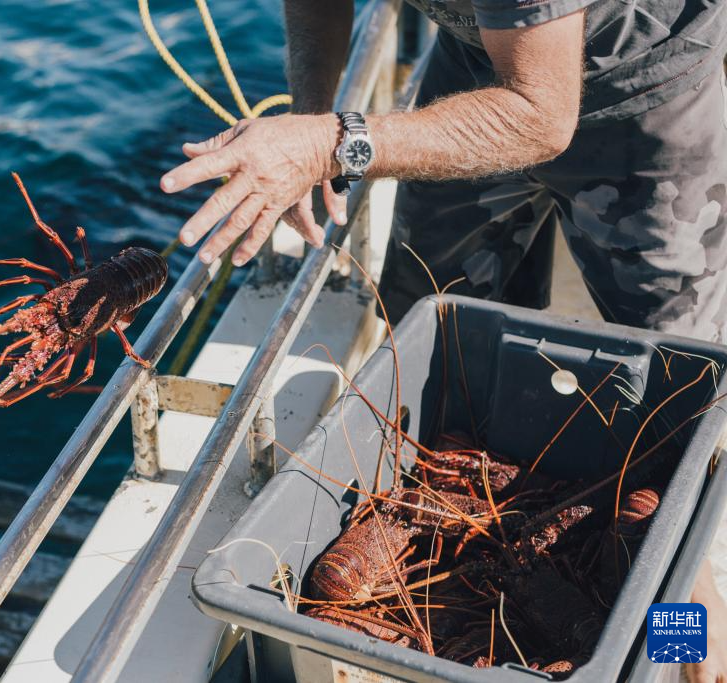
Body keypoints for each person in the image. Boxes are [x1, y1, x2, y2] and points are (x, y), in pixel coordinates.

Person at [159, 1, 727, 680]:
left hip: (647, 90)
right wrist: (311, 120)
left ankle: (691, 643)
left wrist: (328, 143)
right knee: (430, 351)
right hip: (476, 71)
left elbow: (541, 117)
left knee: (682, 433)